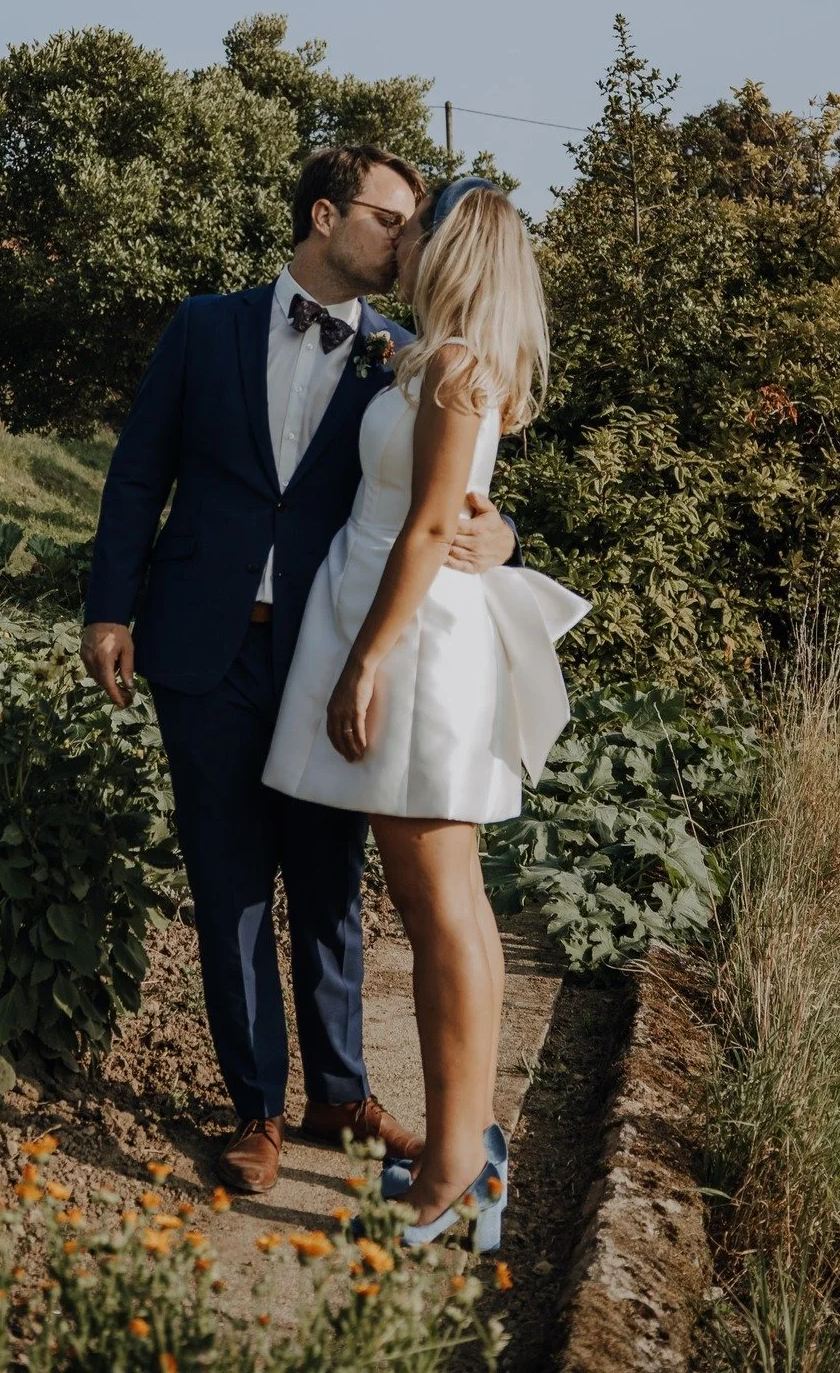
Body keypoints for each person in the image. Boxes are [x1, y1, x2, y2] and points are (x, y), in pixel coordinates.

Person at [80, 146, 519, 1196]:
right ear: (324, 214)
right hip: (202, 639)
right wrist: (108, 607)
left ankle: (341, 1090)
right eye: (387, 218)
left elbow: (452, 494)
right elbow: (140, 469)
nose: (403, 239)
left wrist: (502, 537)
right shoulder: (203, 326)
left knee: (329, 884)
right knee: (228, 882)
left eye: (416, 225)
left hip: (332, 650)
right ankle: (255, 1110)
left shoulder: (412, 354)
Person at [262, 177, 588, 1249]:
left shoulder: (450, 370)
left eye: (418, 228)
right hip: (405, 630)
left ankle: (453, 1163)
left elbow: (425, 530)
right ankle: (471, 1141)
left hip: (412, 647)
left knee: (438, 906)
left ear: (452, 251)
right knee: (454, 902)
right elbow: (441, 512)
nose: (399, 242)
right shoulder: (436, 359)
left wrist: (366, 662)